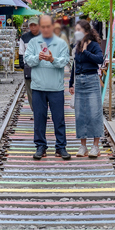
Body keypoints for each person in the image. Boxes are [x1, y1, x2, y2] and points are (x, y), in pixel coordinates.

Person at [24, 13, 71, 160]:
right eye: (42, 26)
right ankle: (40, 146)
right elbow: (27, 59)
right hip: (38, 86)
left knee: (59, 118)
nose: (45, 29)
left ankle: (61, 147)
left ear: (52, 27)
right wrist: (37, 58)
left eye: (47, 26)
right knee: (39, 118)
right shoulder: (33, 43)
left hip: (56, 87)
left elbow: (64, 61)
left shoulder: (61, 43)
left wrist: (52, 59)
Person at [69, 18, 105, 158]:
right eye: (76, 30)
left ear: (86, 31)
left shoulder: (94, 45)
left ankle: (95, 146)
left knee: (94, 113)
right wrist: (71, 83)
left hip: (91, 80)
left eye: (79, 30)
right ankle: (83, 146)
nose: (77, 33)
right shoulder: (77, 46)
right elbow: (74, 65)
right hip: (79, 80)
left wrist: (86, 52)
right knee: (80, 115)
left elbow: (99, 60)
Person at [18, 19, 39, 107]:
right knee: (30, 90)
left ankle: (42, 110)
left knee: (42, 90)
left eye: (35, 25)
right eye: (31, 25)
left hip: (41, 67)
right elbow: (21, 52)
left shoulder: (44, 36)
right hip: (28, 67)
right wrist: (22, 65)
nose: (33, 27)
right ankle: (35, 110)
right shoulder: (24, 37)